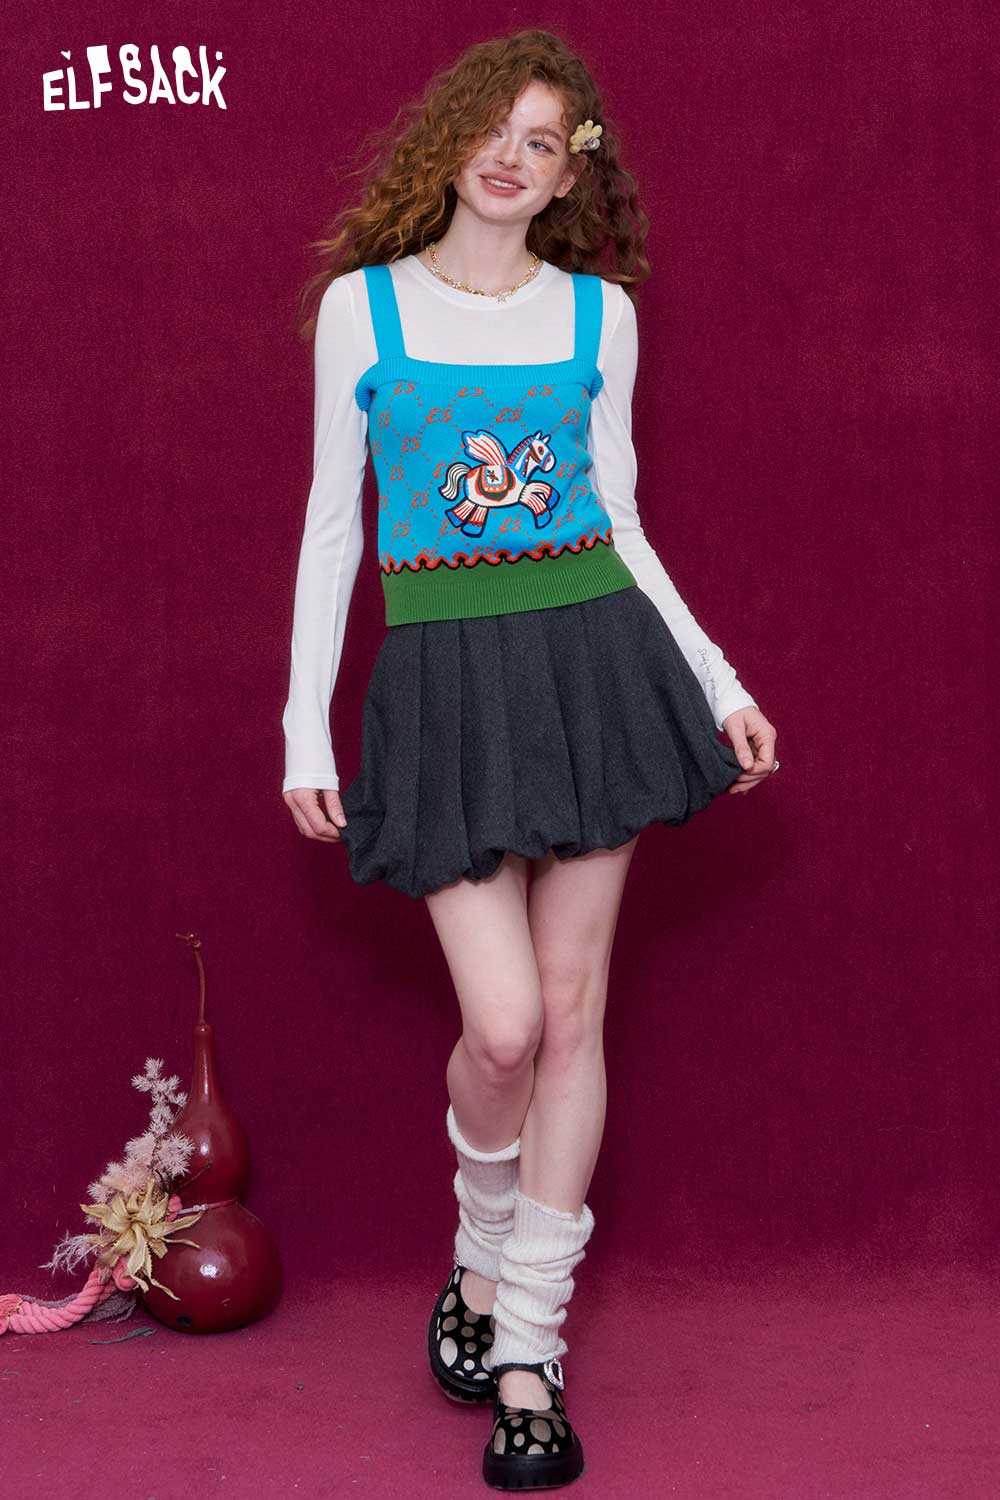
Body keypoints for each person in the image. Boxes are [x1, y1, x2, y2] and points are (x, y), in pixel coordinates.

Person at [281, 27, 778, 1491]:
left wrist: (719, 682)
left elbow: (621, 521)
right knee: (499, 1030)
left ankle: (526, 1352)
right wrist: (304, 723)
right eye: (494, 130)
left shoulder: (599, 316)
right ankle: (481, 1248)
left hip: (590, 668)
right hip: (443, 684)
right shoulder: (363, 309)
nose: (511, 157)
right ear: (449, 142)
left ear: (570, 179)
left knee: (569, 1011)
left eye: (543, 142)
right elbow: (332, 532)